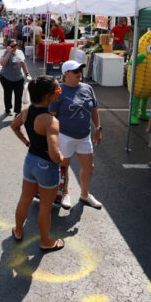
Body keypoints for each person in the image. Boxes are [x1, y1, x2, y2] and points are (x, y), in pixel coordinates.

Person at [10, 75, 65, 251]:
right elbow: (55, 153)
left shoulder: (26, 111)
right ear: (47, 95)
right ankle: (46, 242)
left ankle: (18, 230)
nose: (60, 92)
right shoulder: (51, 121)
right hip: (46, 166)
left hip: (30, 160)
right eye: (57, 90)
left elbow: (14, 126)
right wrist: (61, 158)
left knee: (25, 199)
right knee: (45, 207)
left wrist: (27, 142)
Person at [48, 60, 102, 209]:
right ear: (66, 74)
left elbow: (94, 109)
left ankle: (85, 194)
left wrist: (98, 128)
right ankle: (65, 193)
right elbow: (52, 115)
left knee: (89, 167)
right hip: (65, 135)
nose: (80, 74)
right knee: (64, 166)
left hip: (84, 135)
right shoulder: (58, 90)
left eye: (80, 71)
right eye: (76, 71)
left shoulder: (88, 88)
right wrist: (51, 138)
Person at [0, 39, 29, 116]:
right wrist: (9, 53)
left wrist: (27, 73)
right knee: (8, 94)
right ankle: (8, 109)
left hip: (19, 78)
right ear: (8, 46)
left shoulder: (20, 52)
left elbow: (23, 63)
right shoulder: (5, 53)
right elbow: (2, 64)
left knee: (19, 95)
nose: (15, 47)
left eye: (16, 45)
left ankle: (17, 111)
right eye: (13, 46)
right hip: (6, 78)